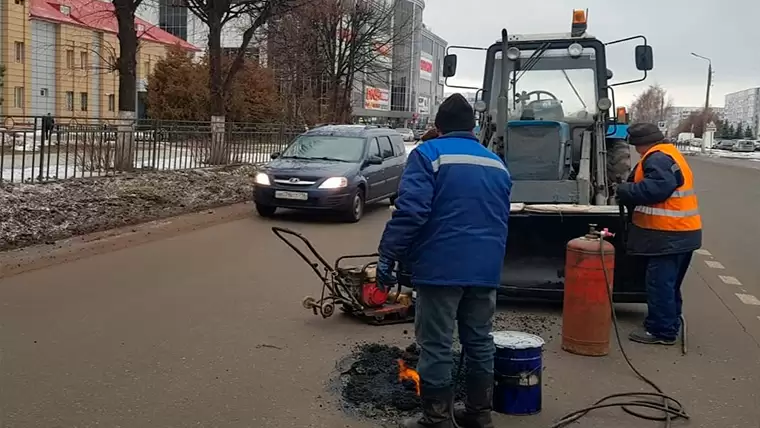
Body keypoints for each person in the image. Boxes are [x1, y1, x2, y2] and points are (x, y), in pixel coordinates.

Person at [376, 93, 512, 428]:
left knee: (435, 344)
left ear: (438, 127)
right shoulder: (495, 163)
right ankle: (479, 414)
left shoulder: (428, 154)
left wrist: (388, 254)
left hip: (441, 268)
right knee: (479, 340)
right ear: (473, 126)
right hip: (485, 269)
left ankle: (436, 420)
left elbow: (411, 212)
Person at [616, 122, 702, 346]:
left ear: (639, 144)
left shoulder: (657, 157)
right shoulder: (669, 152)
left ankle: (662, 331)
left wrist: (625, 191)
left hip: (668, 234)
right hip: (681, 233)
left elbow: (656, 188)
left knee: (659, 283)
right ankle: (670, 321)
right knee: (669, 283)